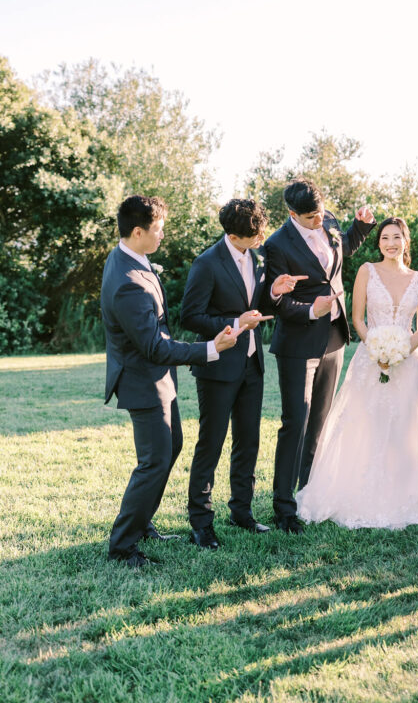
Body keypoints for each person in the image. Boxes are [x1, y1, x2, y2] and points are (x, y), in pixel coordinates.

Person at [102, 195, 237, 568]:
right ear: (138, 231)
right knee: (154, 462)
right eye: (158, 229)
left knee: (170, 446)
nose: (163, 235)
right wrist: (211, 348)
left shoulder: (130, 258)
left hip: (157, 379)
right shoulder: (128, 281)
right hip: (143, 380)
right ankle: (122, 546)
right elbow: (153, 347)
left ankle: (143, 523)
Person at [296, 217, 418, 527]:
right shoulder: (367, 271)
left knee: (406, 429)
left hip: (409, 363)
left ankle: (407, 496)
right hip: (371, 360)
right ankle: (360, 494)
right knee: (366, 425)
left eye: (396, 237)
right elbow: (358, 319)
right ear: (378, 243)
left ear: (406, 241)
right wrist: (378, 349)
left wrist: (401, 351)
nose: (390, 243)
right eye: (384, 238)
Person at [181, 199, 296, 549]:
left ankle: (241, 512)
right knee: (211, 444)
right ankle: (201, 523)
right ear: (233, 235)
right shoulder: (206, 264)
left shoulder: (259, 259)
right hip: (218, 367)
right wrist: (233, 323)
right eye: (256, 233)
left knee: (248, 441)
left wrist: (275, 291)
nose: (263, 237)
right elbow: (189, 316)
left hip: (252, 364)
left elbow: (259, 301)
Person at [263, 179, 376, 533]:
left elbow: (340, 256)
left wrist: (361, 227)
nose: (319, 220)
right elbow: (276, 301)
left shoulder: (329, 221)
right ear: (292, 213)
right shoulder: (276, 245)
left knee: (319, 424)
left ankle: (308, 496)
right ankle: (283, 507)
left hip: (334, 337)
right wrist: (311, 309)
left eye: (321, 212)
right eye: (311, 216)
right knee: (295, 421)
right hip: (298, 342)